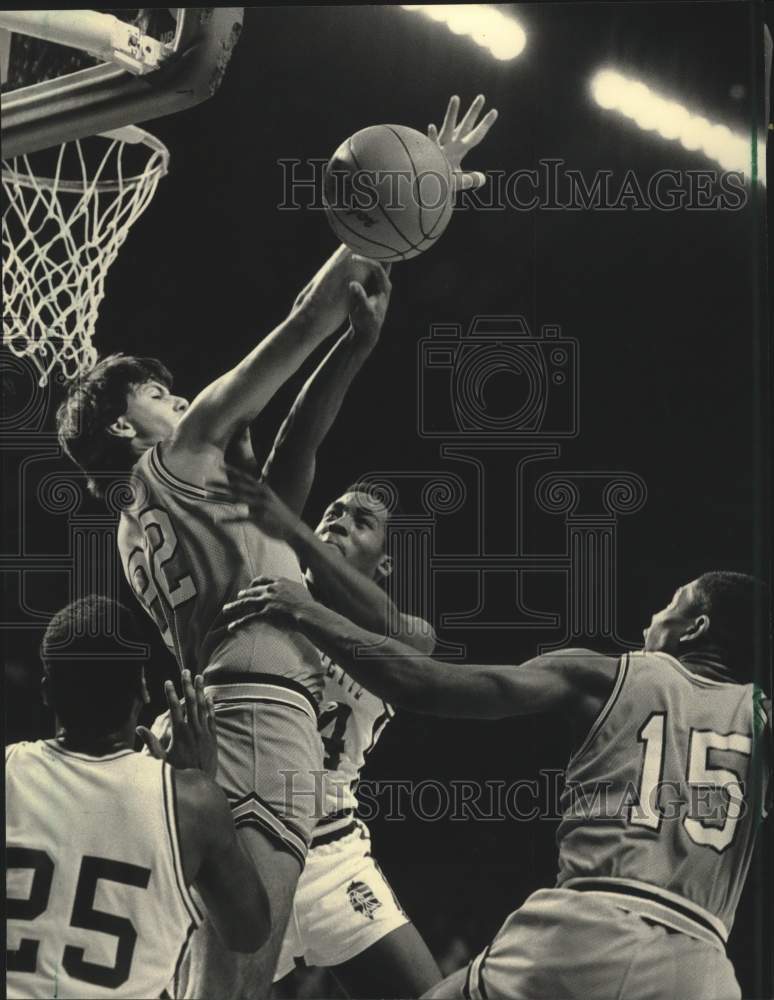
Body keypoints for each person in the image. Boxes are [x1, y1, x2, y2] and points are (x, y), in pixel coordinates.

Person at [55, 245, 392, 998]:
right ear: (122, 427)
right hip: (259, 715)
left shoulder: (131, 524)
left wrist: (355, 344)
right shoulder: (186, 449)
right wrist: (379, 229)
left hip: (210, 723)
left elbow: (293, 449)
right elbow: (304, 317)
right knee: (235, 972)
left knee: (207, 964)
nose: (177, 399)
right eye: (154, 392)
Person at [224, 571, 771, 1000]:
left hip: (587, 931)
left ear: (694, 627)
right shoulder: (760, 718)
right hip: (701, 967)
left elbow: (428, 684)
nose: (653, 616)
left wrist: (308, 611)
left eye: (671, 603)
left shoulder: (607, 673)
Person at [5, 595, 270, 1000]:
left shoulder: (8, 771)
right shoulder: (193, 804)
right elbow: (249, 932)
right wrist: (197, 781)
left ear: (47, 692)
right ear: (143, 690)